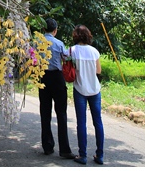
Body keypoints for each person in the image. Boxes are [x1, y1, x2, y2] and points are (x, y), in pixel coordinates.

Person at [39, 18, 75, 158]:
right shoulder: (59, 43)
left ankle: (47, 146)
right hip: (57, 78)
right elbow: (66, 59)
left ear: (43, 29)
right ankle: (65, 150)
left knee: (45, 112)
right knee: (61, 113)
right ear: (55, 30)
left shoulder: (37, 43)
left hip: (43, 77)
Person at [70, 24, 104, 165]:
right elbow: (98, 71)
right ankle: (100, 155)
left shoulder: (72, 51)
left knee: (81, 123)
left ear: (76, 36)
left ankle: (82, 155)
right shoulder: (94, 51)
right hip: (95, 90)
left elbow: (67, 67)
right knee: (98, 122)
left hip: (80, 89)